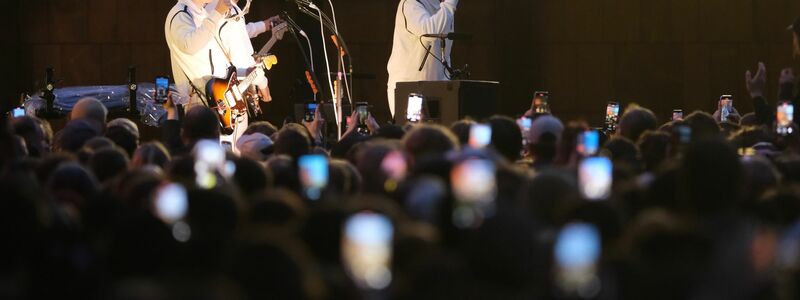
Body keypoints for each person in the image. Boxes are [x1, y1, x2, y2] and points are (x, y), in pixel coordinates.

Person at [213, 0, 282, 152]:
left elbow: (237, 33)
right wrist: (263, 84)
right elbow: (246, 65)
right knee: (232, 151)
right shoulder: (229, 11)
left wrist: (264, 25)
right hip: (229, 96)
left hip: (213, 90)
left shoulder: (211, 9)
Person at [386, 0, 460, 117]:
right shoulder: (410, 4)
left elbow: (444, 53)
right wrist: (450, 4)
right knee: (414, 132)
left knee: (438, 133)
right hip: (410, 89)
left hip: (438, 88)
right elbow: (429, 32)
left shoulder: (443, 8)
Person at [164, 0, 230, 107]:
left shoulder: (201, 13)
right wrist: (217, 13)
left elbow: (214, 56)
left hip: (215, 96)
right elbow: (190, 46)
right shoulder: (180, 14)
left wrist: (243, 72)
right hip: (200, 101)